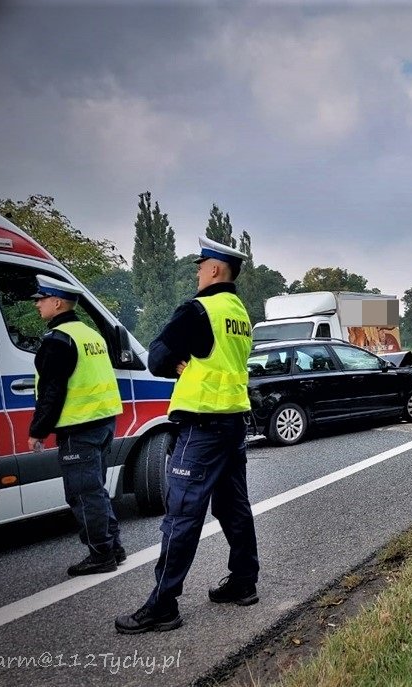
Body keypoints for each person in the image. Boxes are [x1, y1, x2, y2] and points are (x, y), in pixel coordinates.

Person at [115, 236, 260, 635]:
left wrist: (180, 363)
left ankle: (162, 606)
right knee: (234, 507)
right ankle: (244, 582)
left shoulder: (199, 310)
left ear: (214, 269)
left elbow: (157, 358)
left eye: (200, 265)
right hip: (232, 422)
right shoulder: (238, 313)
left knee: (181, 515)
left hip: (201, 426)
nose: (197, 272)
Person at [28, 275, 124, 576]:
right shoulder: (89, 334)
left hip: (79, 427)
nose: (37, 305)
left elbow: (52, 392)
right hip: (104, 422)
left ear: (57, 303)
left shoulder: (58, 340)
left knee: (83, 494)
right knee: (94, 489)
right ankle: (113, 547)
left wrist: (37, 431)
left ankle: (101, 556)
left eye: (40, 299)